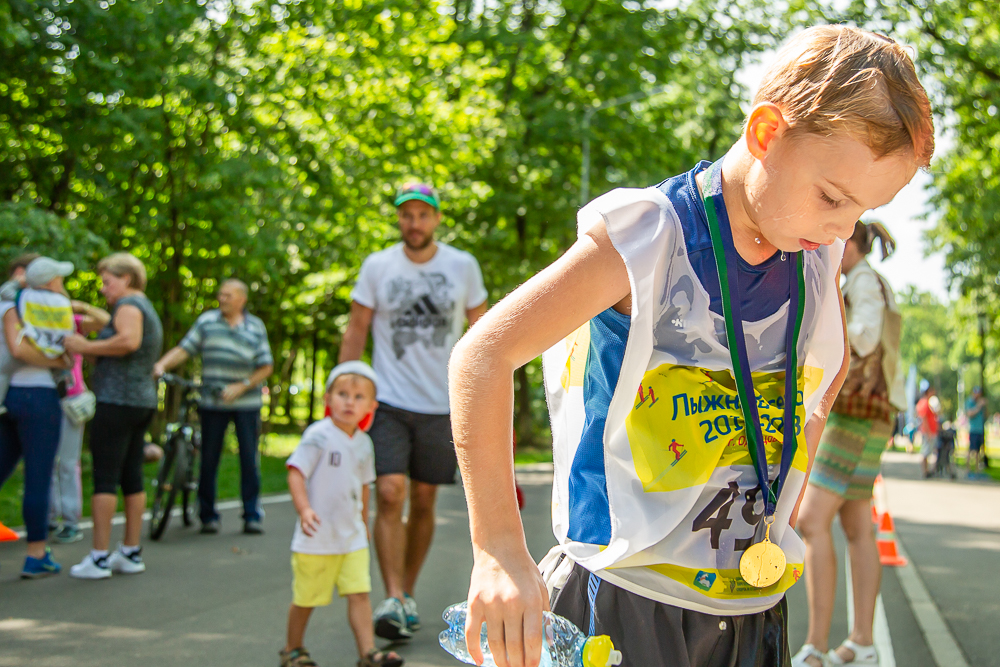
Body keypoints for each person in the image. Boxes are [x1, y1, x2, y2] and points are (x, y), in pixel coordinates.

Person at [448, 25, 933, 667]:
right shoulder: (649, 235)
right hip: (623, 594)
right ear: (766, 133)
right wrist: (499, 549)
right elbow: (483, 354)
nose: (844, 230)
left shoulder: (817, 257)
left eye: (862, 213)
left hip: (748, 607)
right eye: (832, 198)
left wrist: (779, 497)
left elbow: (825, 380)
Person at [340, 182, 488, 640]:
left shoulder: (462, 266)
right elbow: (357, 328)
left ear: (436, 219)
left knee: (424, 499)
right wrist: (344, 387)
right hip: (388, 401)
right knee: (388, 492)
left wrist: (487, 398)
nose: (415, 223)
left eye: (423, 215)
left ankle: (407, 591)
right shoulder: (378, 266)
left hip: (442, 404)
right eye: (407, 215)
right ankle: (393, 595)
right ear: (399, 219)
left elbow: (483, 330)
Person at [793, 221, 905, 667]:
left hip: (855, 414)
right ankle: (861, 641)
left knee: (812, 520)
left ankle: (816, 647)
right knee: (858, 526)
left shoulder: (861, 282)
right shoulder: (868, 281)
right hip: (871, 414)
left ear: (850, 245)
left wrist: (826, 309)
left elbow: (862, 336)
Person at [280, 361, 403, 667]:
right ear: (327, 398)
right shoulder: (318, 435)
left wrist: (363, 522)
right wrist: (304, 509)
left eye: (359, 397)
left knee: (359, 594)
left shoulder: (364, 444)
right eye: (343, 394)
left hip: (351, 538)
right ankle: (293, 649)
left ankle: (368, 652)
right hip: (317, 537)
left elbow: (364, 486)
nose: (350, 402)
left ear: (371, 407)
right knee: (306, 598)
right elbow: (296, 472)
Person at [65, 252, 163, 579]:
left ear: (127, 279)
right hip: (140, 402)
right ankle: (130, 552)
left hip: (117, 402)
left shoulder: (129, 307)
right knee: (131, 475)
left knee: (105, 477)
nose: (104, 289)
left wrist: (83, 346)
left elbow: (128, 342)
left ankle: (98, 557)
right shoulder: (143, 308)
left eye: (108, 282)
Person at [152, 279, 274, 534]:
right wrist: (161, 365)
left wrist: (241, 386)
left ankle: (251, 514)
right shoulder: (207, 322)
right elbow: (185, 349)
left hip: (247, 404)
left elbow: (266, 366)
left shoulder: (255, 326)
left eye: (228, 295)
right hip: (212, 403)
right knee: (208, 459)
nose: (222, 298)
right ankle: (208, 515)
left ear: (242, 299)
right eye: (221, 294)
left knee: (249, 460)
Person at [0, 256, 73, 578]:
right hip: (38, 398)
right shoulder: (19, 305)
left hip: (11, 396)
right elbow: (19, 349)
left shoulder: (18, 301)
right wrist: (58, 362)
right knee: (38, 479)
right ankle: (36, 554)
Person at [49, 293, 112, 544]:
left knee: (67, 463)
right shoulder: (29, 324)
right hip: (44, 398)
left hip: (71, 399)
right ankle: (49, 516)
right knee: (48, 462)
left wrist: (80, 306)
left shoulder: (71, 321)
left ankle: (71, 521)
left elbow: (107, 322)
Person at [0, 257, 76, 415]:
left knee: (3, 370)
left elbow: (6, 292)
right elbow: (18, 351)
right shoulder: (61, 303)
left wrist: (17, 283)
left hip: (21, 378)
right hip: (42, 383)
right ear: (50, 282)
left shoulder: (21, 298)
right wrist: (61, 362)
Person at [915, 383, 939, 478]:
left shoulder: (926, 403)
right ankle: (925, 471)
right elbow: (924, 418)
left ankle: (927, 470)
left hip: (930, 431)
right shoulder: (924, 403)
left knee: (928, 451)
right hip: (927, 432)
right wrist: (928, 432)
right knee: (925, 451)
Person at [966, 386, 986, 476]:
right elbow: (970, 414)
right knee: (971, 450)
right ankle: (968, 470)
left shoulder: (980, 402)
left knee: (978, 451)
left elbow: (985, 415)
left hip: (980, 429)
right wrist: (978, 406)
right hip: (973, 429)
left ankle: (977, 470)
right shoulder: (970, 402)